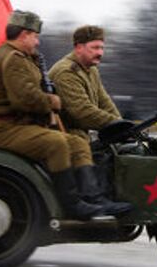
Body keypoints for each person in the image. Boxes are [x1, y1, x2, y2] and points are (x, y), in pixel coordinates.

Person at [0, 11, 130, 220]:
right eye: (35, 36)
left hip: (19, 126)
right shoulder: (13, 58)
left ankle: (94, 199)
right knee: (57, 143)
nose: (37, 42)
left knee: (78, 144)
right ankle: (72, 205)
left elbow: (104, 101)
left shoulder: (23, 58)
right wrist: (51, 101)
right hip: (4, 129)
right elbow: (23, 99)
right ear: (24, 34)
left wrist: (120, 124)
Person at [48, 25, 133, 211]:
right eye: (94, 48)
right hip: (68, 134)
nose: (100, 53)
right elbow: (82, 111)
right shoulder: (66, 72)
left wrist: (122, 126)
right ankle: (96, 200)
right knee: (103, 155)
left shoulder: (90, 69)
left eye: (102, 48)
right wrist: (116, 125)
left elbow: (104, 101)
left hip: (81, 132)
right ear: (78, 47)